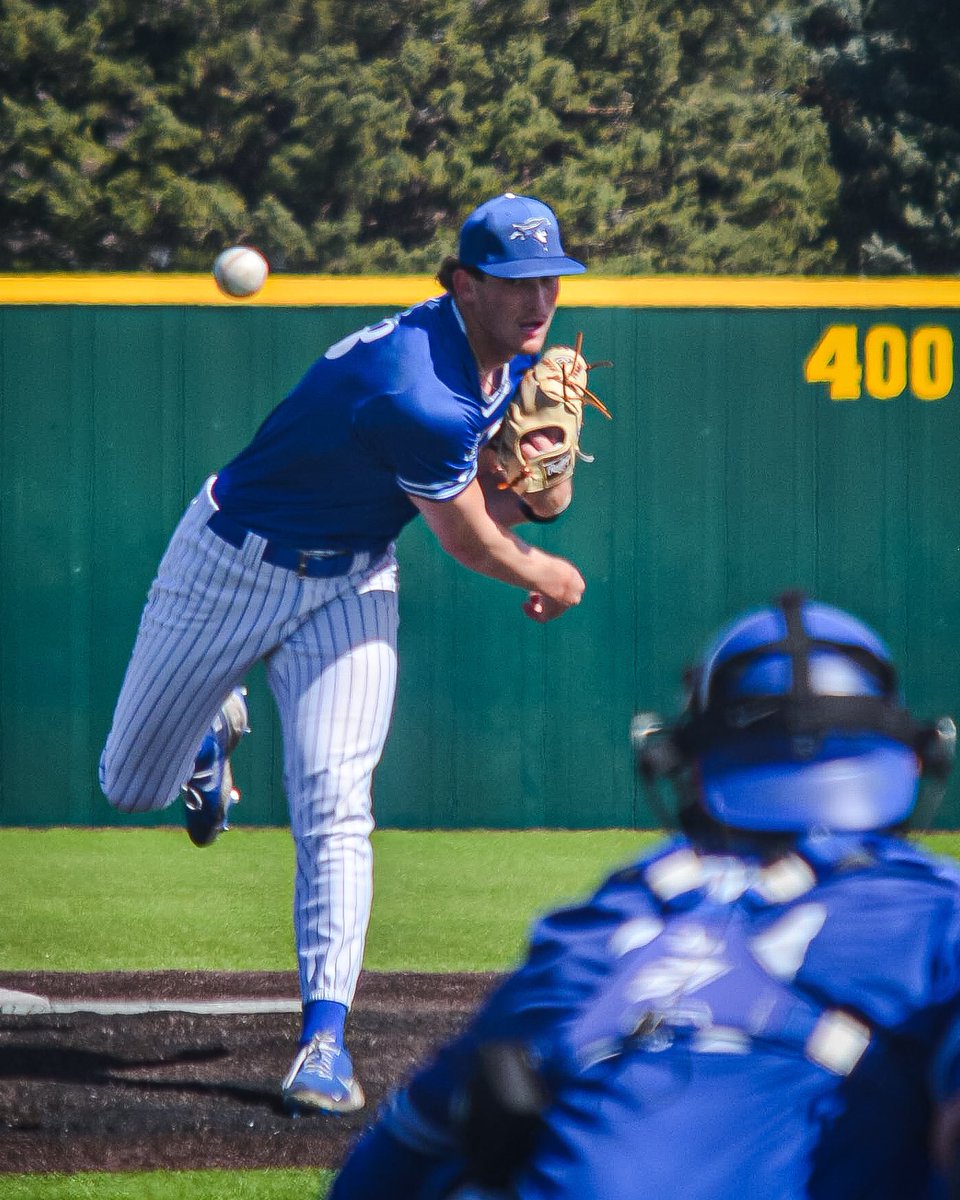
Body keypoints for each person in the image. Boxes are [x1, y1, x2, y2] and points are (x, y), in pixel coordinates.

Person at [99, 192, 593, 1116]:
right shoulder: (419, 387)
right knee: (129, 786)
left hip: (354, 576)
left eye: (551, 281)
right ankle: (207, 734)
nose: (539, 302)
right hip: (229, 565)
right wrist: (548, 571)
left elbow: (492, 501)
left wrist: (538, 481)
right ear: (464, 284)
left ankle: (323, 1042)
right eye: (517, 282)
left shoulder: (501, 363)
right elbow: (469, 540)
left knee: (335, 800)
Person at [329, 590, 960, 1199]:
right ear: (914, 760)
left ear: (689, 769)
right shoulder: (936, 911)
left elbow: (400, 1145)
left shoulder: (605, 920)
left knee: (480, 1136)